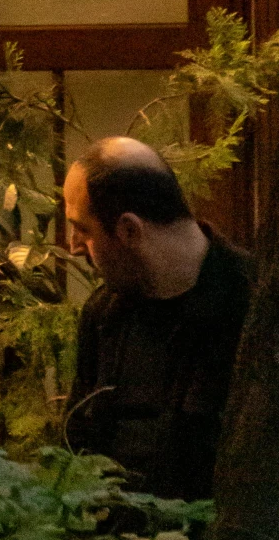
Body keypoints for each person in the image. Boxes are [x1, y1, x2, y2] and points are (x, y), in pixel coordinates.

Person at [62, 135, 252, 502]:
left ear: (129, 230)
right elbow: (76, 450)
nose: (72, 246)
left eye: (82, 228)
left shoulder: (254, 308)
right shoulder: (104, 316)